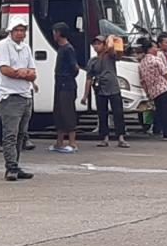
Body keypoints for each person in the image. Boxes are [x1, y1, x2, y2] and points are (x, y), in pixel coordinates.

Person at [0, 15, 36, 181]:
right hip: (10, 96)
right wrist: (22, 73)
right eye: (17, 30)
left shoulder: (26, 48)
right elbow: (5, 70)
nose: (20, 33)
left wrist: (22, 73)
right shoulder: (3, 45)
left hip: (26, 95)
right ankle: (10, 167)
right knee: (10, 134)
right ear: (10, 31)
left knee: (21, 134)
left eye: (22, 30)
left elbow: (33, 73)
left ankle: (16, 164)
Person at [83, 35, 129, 148]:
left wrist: (111, 38)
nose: (96, 46)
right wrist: (85, 96)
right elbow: (88, 79)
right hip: (100, 89)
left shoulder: (110, 56)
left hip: (114, 88)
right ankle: (104, 138)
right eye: (95, 44)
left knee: (118, 113)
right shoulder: (92, 61)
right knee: (102, 114)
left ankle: (121, 137)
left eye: (99, 43)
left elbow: (117, 53)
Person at [138, 38, 167, 141]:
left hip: (153, 91)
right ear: (150, 49)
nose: (157, 49)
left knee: (160, 111)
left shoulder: (142, 63)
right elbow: (166, 74)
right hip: (164, 88)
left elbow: (142, 81)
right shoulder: (156, 59)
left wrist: (148, 93)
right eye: (155, 47)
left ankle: (164, 132)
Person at [51, 22, 79, 153]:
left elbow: (75, 67)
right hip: (59, 83)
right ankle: (59, 142)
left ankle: (72, 142)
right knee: (58, 112)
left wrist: (68, 77)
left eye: (55, 32)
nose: (53, 34)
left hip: (67, 84)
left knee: (68, 112)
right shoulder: (61, 48)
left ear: (59, 33)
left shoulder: (68, 48)